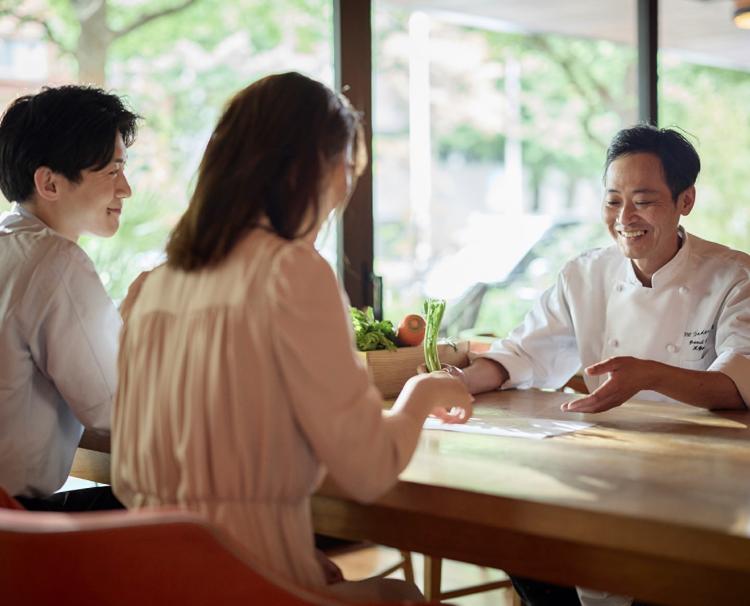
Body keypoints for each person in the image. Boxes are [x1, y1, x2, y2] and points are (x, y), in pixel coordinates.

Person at [111, 72, 472, 602]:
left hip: (155, 582)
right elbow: (367, 471)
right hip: (249, 587)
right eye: (345, 172)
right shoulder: (291, 273)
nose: (343, 194)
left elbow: (133, 475)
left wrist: (293, 551)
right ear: (308, 171)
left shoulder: (150, 288)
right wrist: (422, 393)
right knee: (403, 598)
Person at [451, 124, 750, 606]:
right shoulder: (584, 274)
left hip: (700, 485)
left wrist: (649, 374)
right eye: (613, 201)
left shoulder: (735, 276)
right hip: (603, 466)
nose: (624, 217)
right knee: (517, 536)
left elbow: (740, 384)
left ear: (686, 200)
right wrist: (456, 383)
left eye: (644, 200)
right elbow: (521, 353)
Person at [0, 85, 139, 511]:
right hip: (18, 529)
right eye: (112, 171)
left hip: (12, 518)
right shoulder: (57, 261)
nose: (126, 189)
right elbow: (117, 407)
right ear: (50, 182)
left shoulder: (11, 244)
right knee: (207, 502)